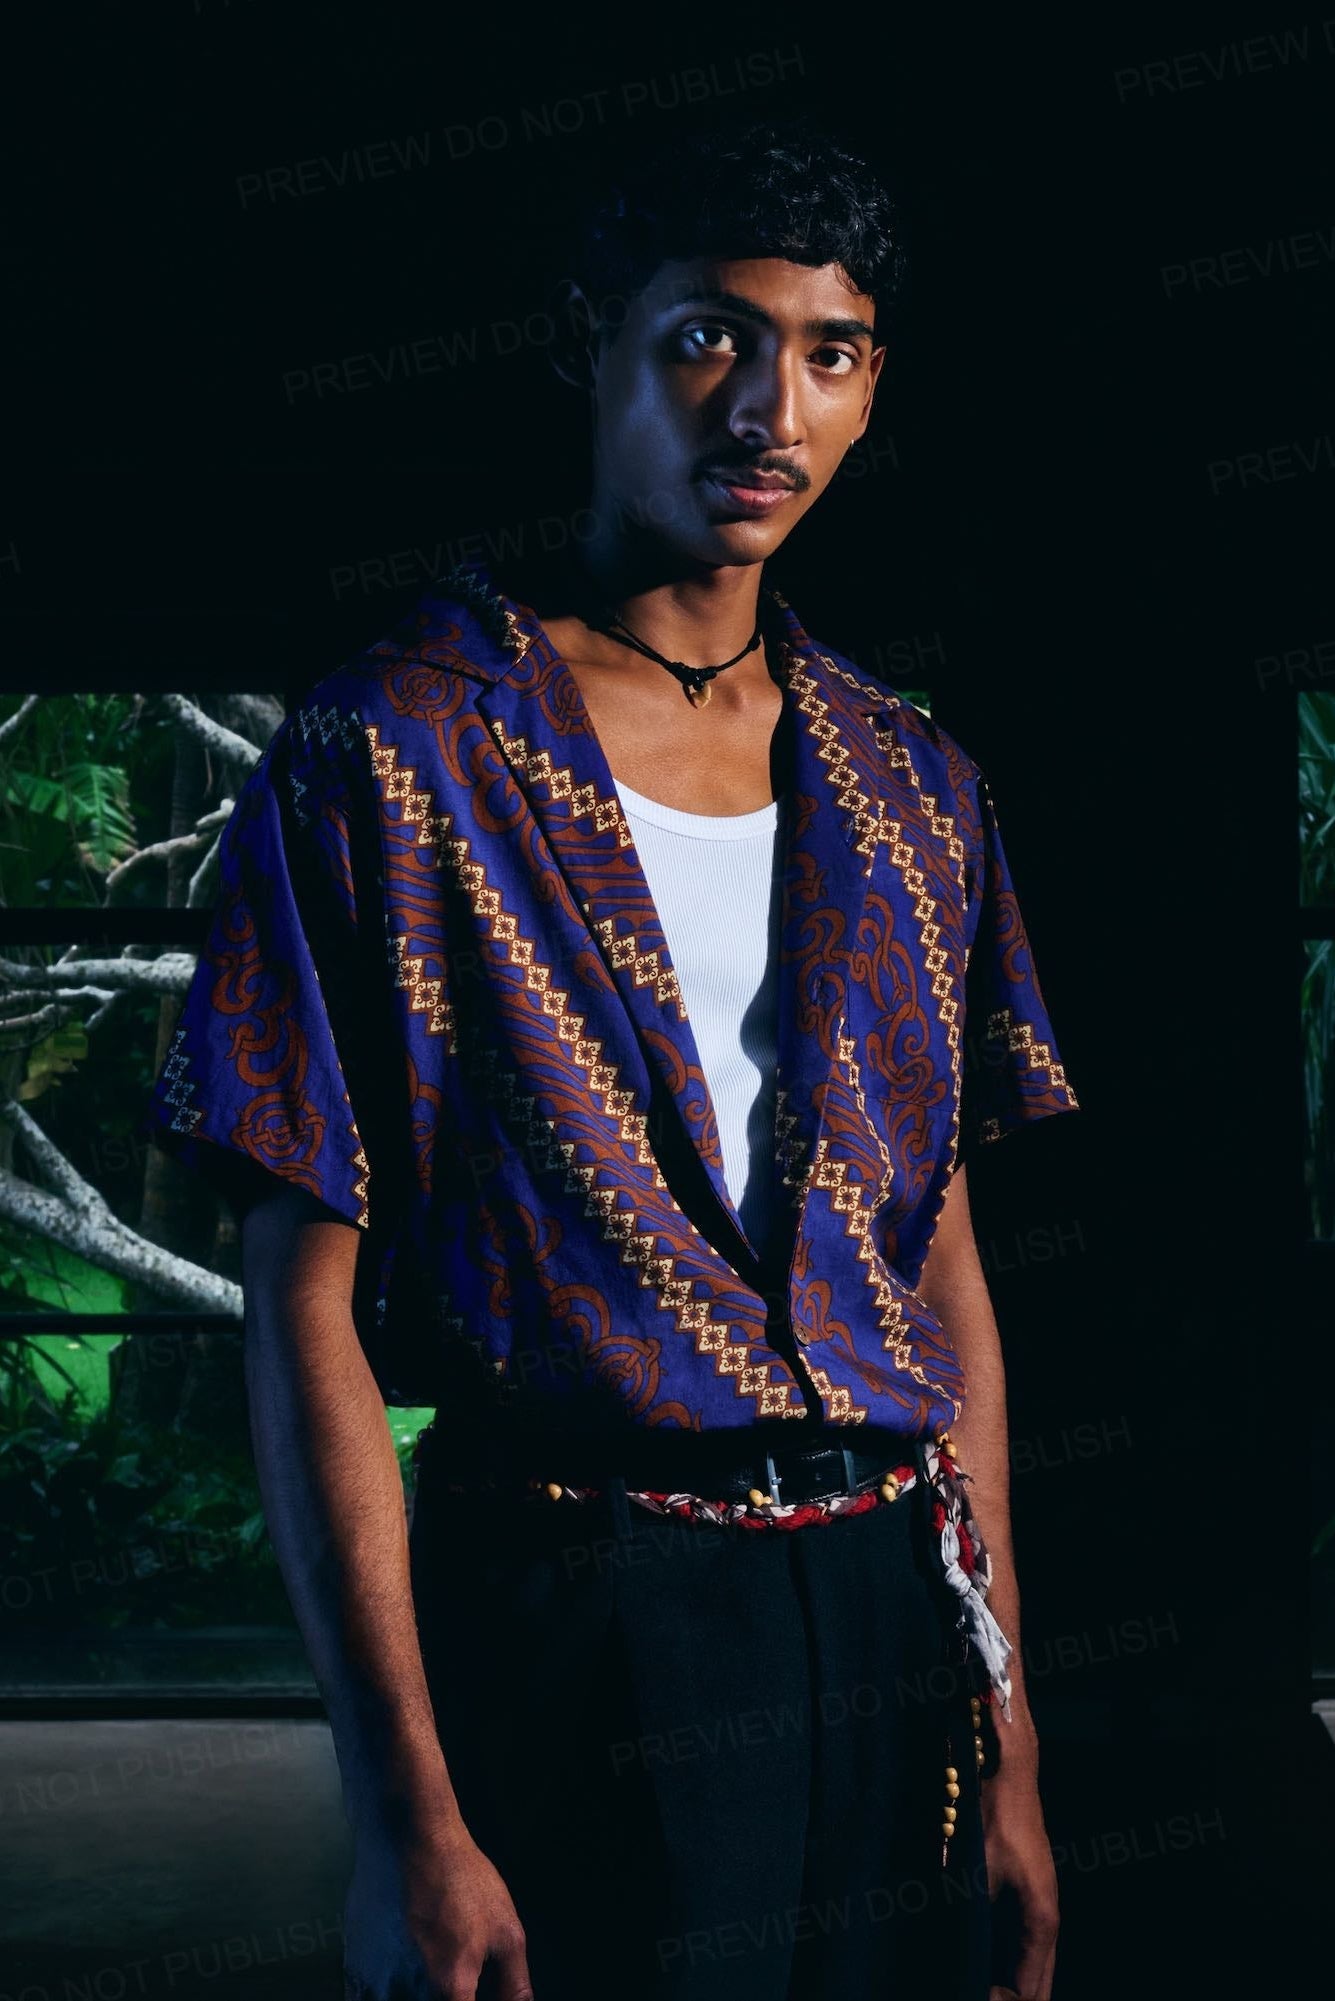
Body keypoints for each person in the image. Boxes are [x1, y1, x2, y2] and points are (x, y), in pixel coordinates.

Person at [141, 116, 1080, 2001]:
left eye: (833, 354)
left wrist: (1018, 1747)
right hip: (574, 1599)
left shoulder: (913, 785)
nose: (773, 410)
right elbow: (302, 1312)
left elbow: (945, 1276)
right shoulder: (393, 757)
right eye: (712, 337)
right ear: (595, 342)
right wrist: (406, 1810)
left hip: (894, 1605)